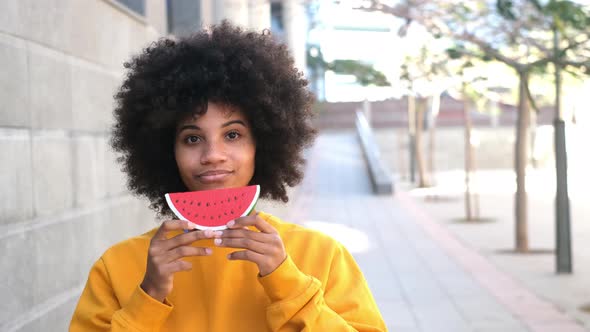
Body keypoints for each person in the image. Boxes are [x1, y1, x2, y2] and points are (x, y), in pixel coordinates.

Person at [69, 21, 386, 331]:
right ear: (167, 152)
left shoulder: (322, 255)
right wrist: (148, 295)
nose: (213, 155)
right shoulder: (117, 266)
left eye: (232, 135)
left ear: (261, 144)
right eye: (192, 138)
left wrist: (287, 283)